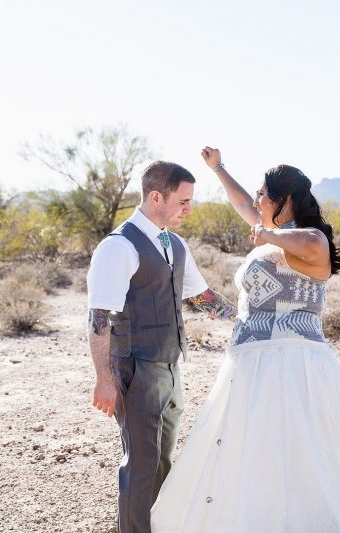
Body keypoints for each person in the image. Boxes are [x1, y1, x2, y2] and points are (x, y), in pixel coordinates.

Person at [150, 148, 340, 532]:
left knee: (299, 447)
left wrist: (268, 232)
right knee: (252, 450)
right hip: (249, 360)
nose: (258, 201)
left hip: (293, 360)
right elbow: (241, 203)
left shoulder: (310, 239)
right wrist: (218, 169)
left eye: (265, 194)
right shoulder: (272, 233)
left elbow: (313, 246)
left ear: (285, 200)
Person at [87, 160, 236, 533]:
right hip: (136, 369)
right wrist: (103, 379)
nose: (189, 209)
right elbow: (99, 318)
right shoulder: (118, 247)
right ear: (156, 196)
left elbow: (200, 295)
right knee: (140, 463)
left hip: (171, 367)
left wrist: (246, 318)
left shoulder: (174, 243)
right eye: (183, 201)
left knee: (163, 459)